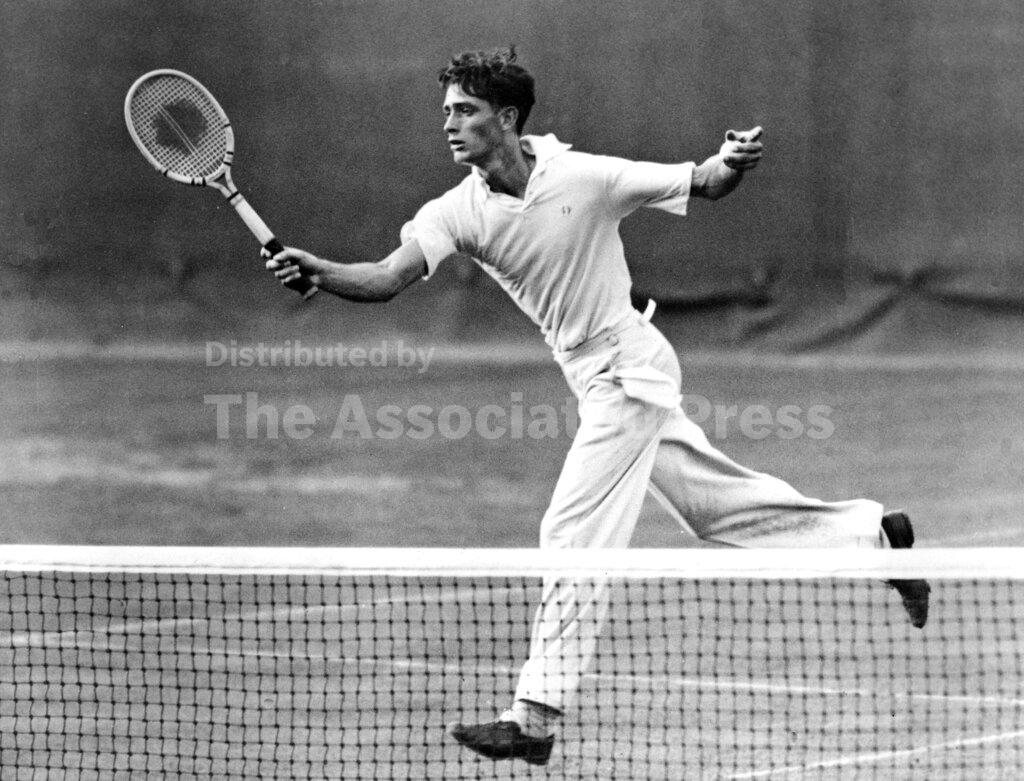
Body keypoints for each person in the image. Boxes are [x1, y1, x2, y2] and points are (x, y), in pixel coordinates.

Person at [265, 47, 930, 767]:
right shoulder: (455, 210)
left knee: (572, 529)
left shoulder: (586, 176)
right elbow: (387, 277)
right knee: (713, 511)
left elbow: (704, 181)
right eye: (447, 111)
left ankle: (536, 714)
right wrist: (321, 271)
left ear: (508, 119)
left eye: (466, 111)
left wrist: (733, 160)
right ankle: (873, 537)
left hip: (628, 369)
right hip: (595, 377)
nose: (449, 124)